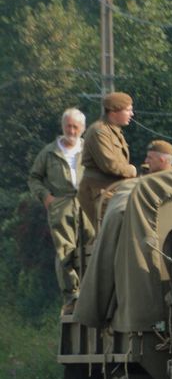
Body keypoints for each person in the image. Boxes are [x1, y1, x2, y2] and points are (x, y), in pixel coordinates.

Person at [28, 107, 95, 314]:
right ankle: (71, 296)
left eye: (76, 127)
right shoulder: (49, 152)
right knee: (65, 251)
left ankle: (90, 292)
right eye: (68, 126)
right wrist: (46, 197)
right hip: (62, 204)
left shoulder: (90, 149)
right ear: (62, 126)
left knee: (92, 247)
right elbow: (34, 178)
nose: (72, 130)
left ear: (83, 129)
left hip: (87, 203)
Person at [78, 91, 136, 229]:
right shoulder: (99, 131)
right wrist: (132, 170)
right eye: (128, 110)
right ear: (113, 112)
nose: (132, 114)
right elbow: (109, 165)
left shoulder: (113, 131)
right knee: (110, 235)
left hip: (111, 191)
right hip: (100, 192)